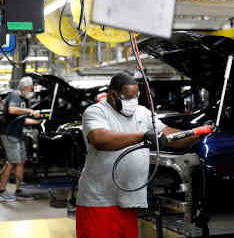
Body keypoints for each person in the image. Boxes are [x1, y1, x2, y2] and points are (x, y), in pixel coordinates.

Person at [76, 72, 200, 238]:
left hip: (128, 202)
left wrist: (193, 135)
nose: (133, 101)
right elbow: (100, 139)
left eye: (136, 96)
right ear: (113, 95)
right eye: (128, 97)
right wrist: (142, 136)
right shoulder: (96, 112)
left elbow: (167, 134)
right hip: (98, 201)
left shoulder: (142, 112)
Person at [0, 76, 41, 202]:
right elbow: (12, 110)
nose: (32, 90)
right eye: (32, 87)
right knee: (12, 162)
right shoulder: (15, 96)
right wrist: (30, 111)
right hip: (9, 134)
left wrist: (37, 121)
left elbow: (22, 119)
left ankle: (18, 190)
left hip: (18, 134)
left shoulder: (24, 99)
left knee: (21, 161)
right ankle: (1, 191)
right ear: (26, 87)